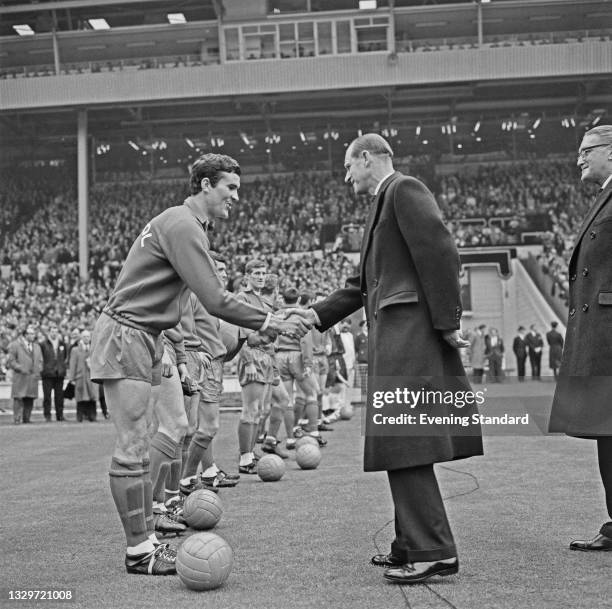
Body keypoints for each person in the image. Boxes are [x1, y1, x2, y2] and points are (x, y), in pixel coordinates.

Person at [90, 153, 309, 576]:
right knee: (134, 441)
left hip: (149, 335)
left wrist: (253, 330)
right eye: (230, 188)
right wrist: (271, 320)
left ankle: (150, 532)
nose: (236, 198)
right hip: (128, 333)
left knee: (167, 430)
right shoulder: (183, 225)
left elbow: (201, 308)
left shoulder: (189, 226)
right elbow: (214, 299)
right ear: (205, 184)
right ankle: (140, 550)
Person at [292, 134, 483, 584]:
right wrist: (313, 315)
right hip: (396, 339)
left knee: (407, 440)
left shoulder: (404, 189)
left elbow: (441, 252)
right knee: (400, 441)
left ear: (365, 158)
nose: (346, 176)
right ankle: (408, 544)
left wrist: (448, 322)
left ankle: (434, 550)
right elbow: (359, 286)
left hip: (409, 339)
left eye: (348, 167)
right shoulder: (381, 204)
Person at [549, 125, 612, 552]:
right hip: (600, 337)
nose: (579, 159)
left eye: (586, 151)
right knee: (606, 435)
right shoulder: (604, 198)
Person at [7, 326, 42, 424]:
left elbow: (40, 361)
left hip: (32, 377)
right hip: (20, 377)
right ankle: (17, 418)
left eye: (33, 334)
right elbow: (11, 361)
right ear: (25, 335)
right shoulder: (15, 345)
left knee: (30, 398)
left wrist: (38, 369)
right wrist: (21, 368)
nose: (32, 336)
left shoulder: (37, 346)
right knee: (18, 398)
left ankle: (27, 418)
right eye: (30, 334)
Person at [67, 329, 98, 422]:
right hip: (80, 377)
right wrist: (71, 378)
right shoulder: (75, 350)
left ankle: (92, 416)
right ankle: (79, 417)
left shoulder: (94, 349)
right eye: (84, 336)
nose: (86, 338)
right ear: (81, 337)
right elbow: (72, 365)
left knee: (92, 398)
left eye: (88, 336)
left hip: (92, 378)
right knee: (80, 398)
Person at [39, 324, 67, 422]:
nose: (54, 333)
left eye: (55, 331)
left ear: (58, 333)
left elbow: (64, 358)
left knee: (59, 397)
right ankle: (47, 415)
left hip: (59, 374)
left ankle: (60, 415)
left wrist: (63, 369)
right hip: (47, 374)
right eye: (52, 331)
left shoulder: (62, 344)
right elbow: (40, 358)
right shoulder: (43, 344)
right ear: (49, 332)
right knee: (47, 396)